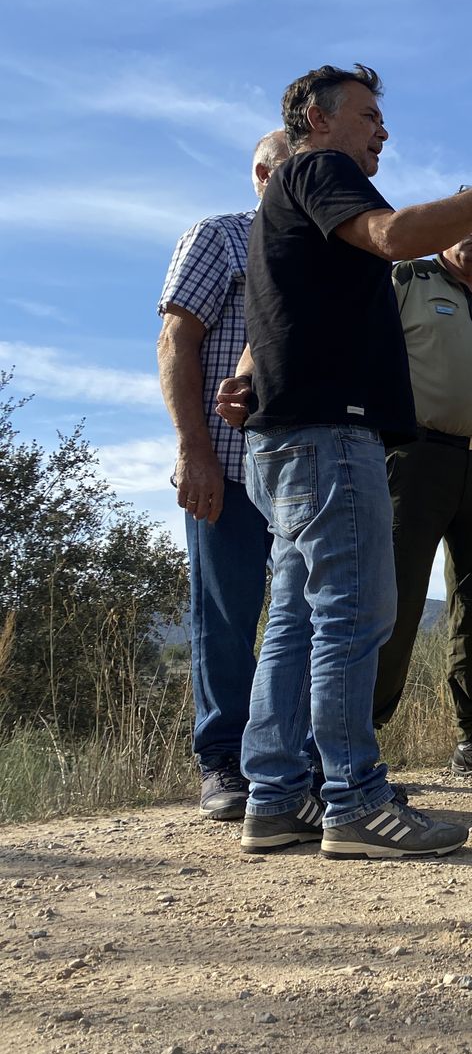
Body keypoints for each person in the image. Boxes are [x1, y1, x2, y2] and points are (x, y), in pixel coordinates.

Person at [218, 63, 472, 858]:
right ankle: (353, 800)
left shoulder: (293, 195)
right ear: (317, 116)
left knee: (298, 619)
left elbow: (286, 310)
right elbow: (395, 236)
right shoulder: (320, 168)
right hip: (332, 438)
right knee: (355, 613)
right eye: (370, 115)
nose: (384, 130)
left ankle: (275, 797)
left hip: (291, 435)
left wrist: (249, 382)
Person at [370, 210, 472, 783]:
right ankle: (357, 744)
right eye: (468, 220)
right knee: (395, 599)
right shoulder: (403, 281)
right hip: (414, 459)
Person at [156, 130, 288, 820]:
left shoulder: (327, 251)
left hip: (304, 475)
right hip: (230, 468)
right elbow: (176, 338)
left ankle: (293, 761)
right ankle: (223, 760)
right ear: (264, 172)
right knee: (228, 615)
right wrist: (194, 450)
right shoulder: (220, 238)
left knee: (304, 622)